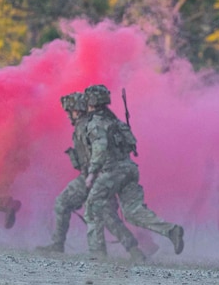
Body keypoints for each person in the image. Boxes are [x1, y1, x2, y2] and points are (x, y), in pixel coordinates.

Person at [36, 91, 145, 261]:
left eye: (70, 111)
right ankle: (134, 251)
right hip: (103, 176)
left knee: (63, 203)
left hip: (94, 177)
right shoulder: (97, 122)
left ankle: (58, 245)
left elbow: (96, 153)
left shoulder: (85, 126)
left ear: (77, 111)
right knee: (108, 216)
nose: (68, 115)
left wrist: (92, 175)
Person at [81, 84, 185, 257]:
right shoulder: (115, 121)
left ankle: (97, 255)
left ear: (91, 101)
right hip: (129, 169)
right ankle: (170, 230)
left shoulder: (96, 123)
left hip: (111, 171)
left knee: (92, 208)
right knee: (133, 212)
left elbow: (99, 147)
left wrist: (92, 173)